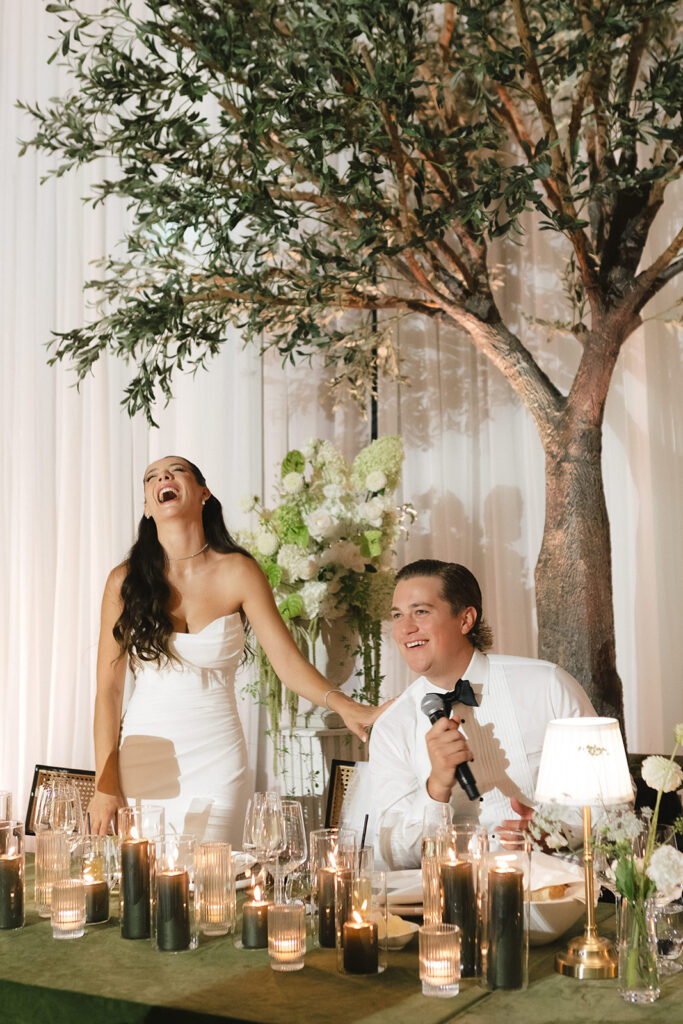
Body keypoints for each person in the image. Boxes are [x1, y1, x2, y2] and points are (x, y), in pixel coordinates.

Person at [89, 455, 386, 842]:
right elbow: (109, 691)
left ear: (204, 493)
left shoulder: (239, 571)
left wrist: (344, 705)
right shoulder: (124, 581)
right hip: (146, 755)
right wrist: (105, 785)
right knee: (148, 874)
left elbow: (287, 662)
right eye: (151, 477)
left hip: (217, 756)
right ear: (147, 506)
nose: (163, 477)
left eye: (177, 470)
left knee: (214, 872)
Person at [368, 559, 596, 869]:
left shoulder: (547, 686)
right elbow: (392, 857)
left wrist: (556, 834)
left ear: (465, 620)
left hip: (549, 887)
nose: (405, 628)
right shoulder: (393, 726)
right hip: (447, 894)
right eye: (397, 615)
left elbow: (611, 801)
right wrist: (436, 787)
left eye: (420, 612)